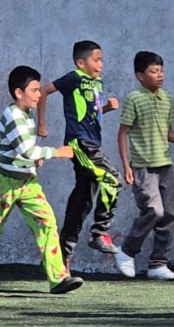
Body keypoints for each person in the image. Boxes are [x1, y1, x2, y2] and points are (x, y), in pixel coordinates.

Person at [0, 65, 84, 294]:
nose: (39, 95)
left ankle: (58, 278)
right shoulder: (12, 115)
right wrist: (56, 152)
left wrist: (34, 161)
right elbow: (27, 151)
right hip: (3, 183)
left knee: (46, 222)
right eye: (34, 90)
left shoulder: (27, 115)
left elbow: (25, 151)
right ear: (19, 92)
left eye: (39, 90)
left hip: (28, 182)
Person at [37, 40, 121, 267]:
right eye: (96, 60)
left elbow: (89, 113)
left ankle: (61, 260)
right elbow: (44, 91)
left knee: (81, 202)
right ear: (80, 62)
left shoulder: (96, 82)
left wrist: (107, 108)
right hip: (80, 143)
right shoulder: (73, 78)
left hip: (92, 143)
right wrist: (42, 124)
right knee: (112, 179)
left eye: (102, 59)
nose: (101, 64)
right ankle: (100, 233)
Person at [114, 51, 174, 280]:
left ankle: (158, 263)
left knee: (169, 215)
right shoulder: (134, 99)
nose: (159, 76)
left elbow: (166, 131)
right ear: (140, 75)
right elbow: (123, 134)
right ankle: (126, 251)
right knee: (154, 210)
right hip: (143, 167)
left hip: (165, 164)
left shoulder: (167, 99)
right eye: (153, 71)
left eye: (161, 71)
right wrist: (126, 166)